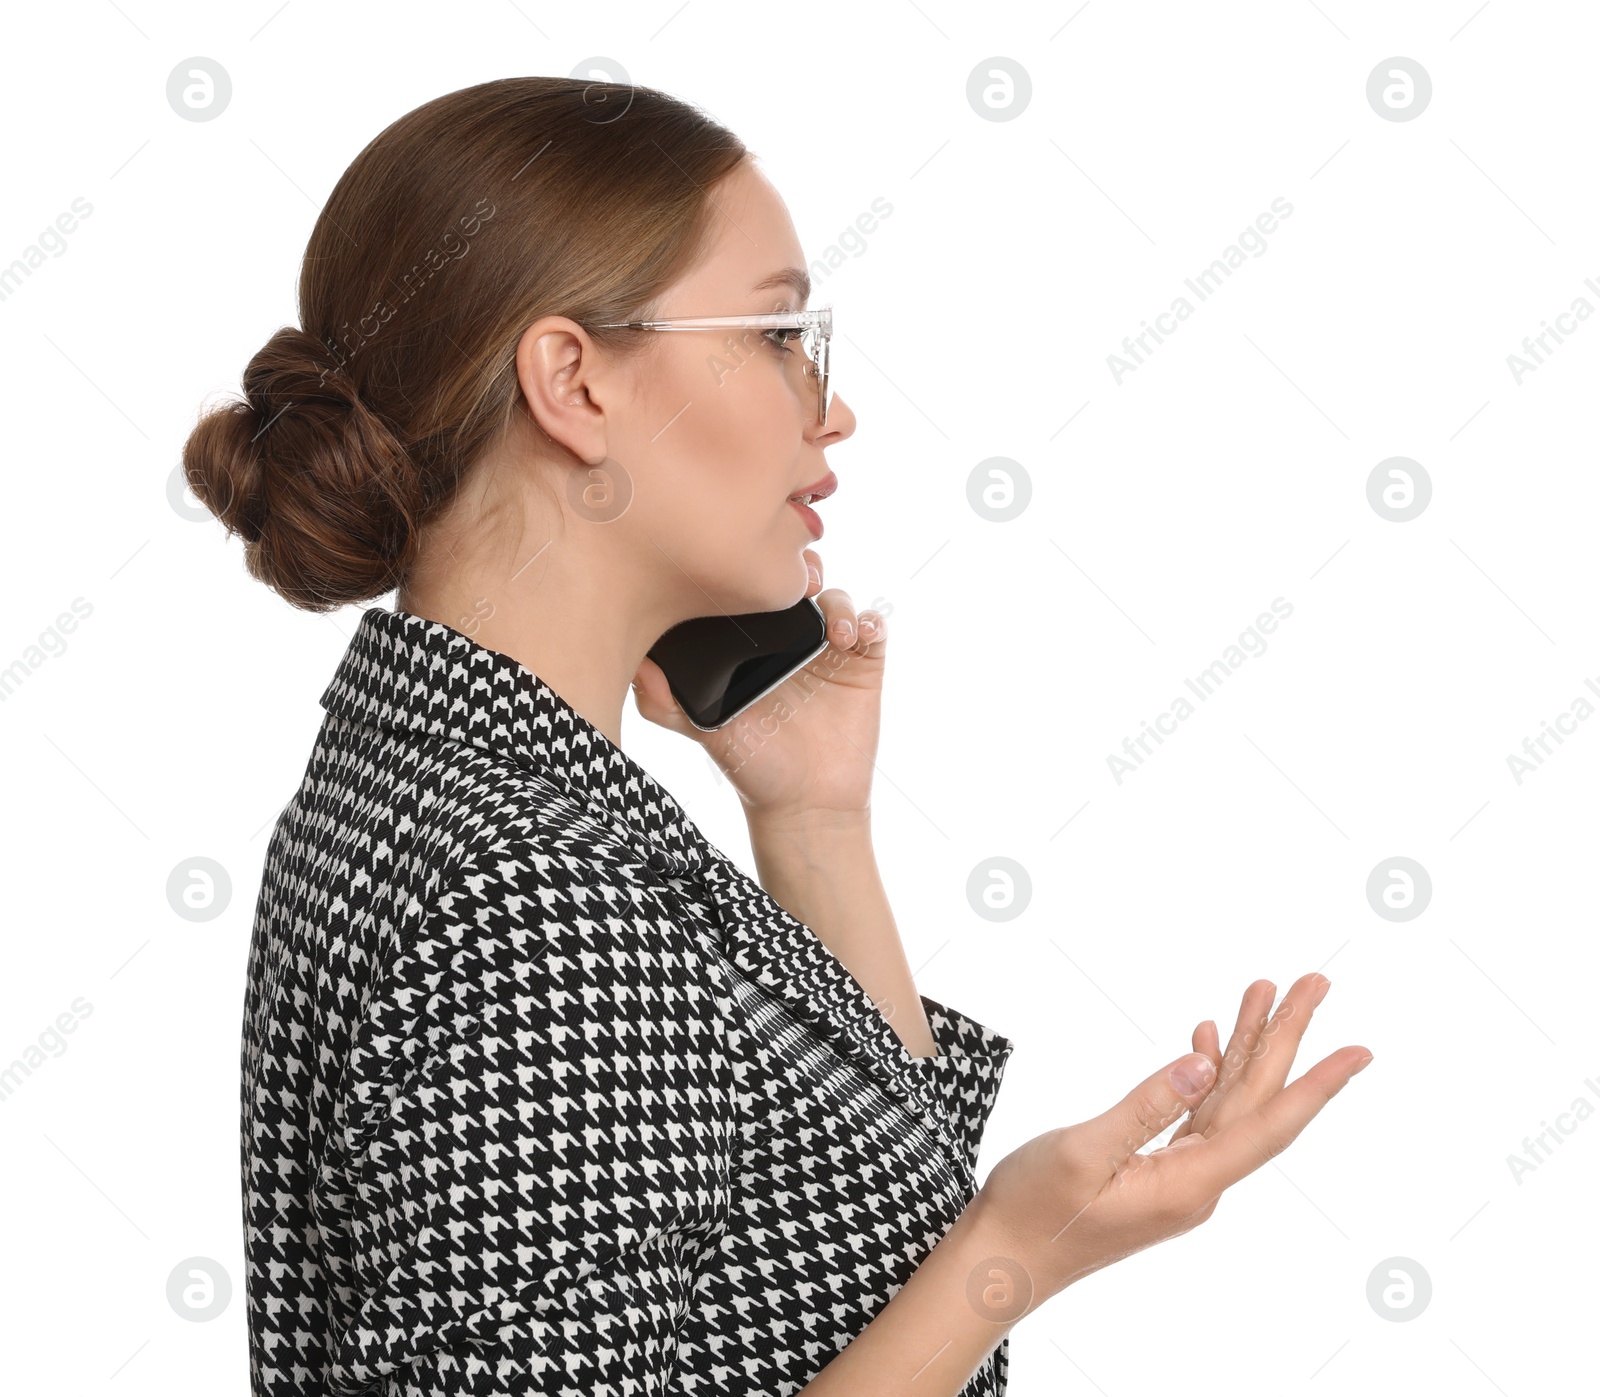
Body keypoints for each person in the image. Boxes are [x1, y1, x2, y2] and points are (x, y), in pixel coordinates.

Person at [182, 76, 1374, 1397]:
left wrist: (812, 819)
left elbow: (873, 1236)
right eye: (772, 331)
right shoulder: (536, 887)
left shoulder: (442, 788)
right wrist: (1012, 1256)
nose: (831, 405)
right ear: (573, 380)